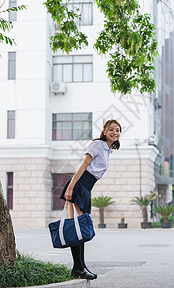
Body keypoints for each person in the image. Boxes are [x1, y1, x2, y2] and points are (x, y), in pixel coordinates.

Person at [60, 119, 121, 280]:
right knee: (78, 227)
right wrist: (71, 187)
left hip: (87, 187)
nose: (115, 132)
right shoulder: (98, 145)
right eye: (111, 129)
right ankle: (78, 268)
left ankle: (81, 266)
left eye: (118, 130)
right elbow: (84, 165)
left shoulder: (108, 150)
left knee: (80, 227)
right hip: (80, 185)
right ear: (105, 131)